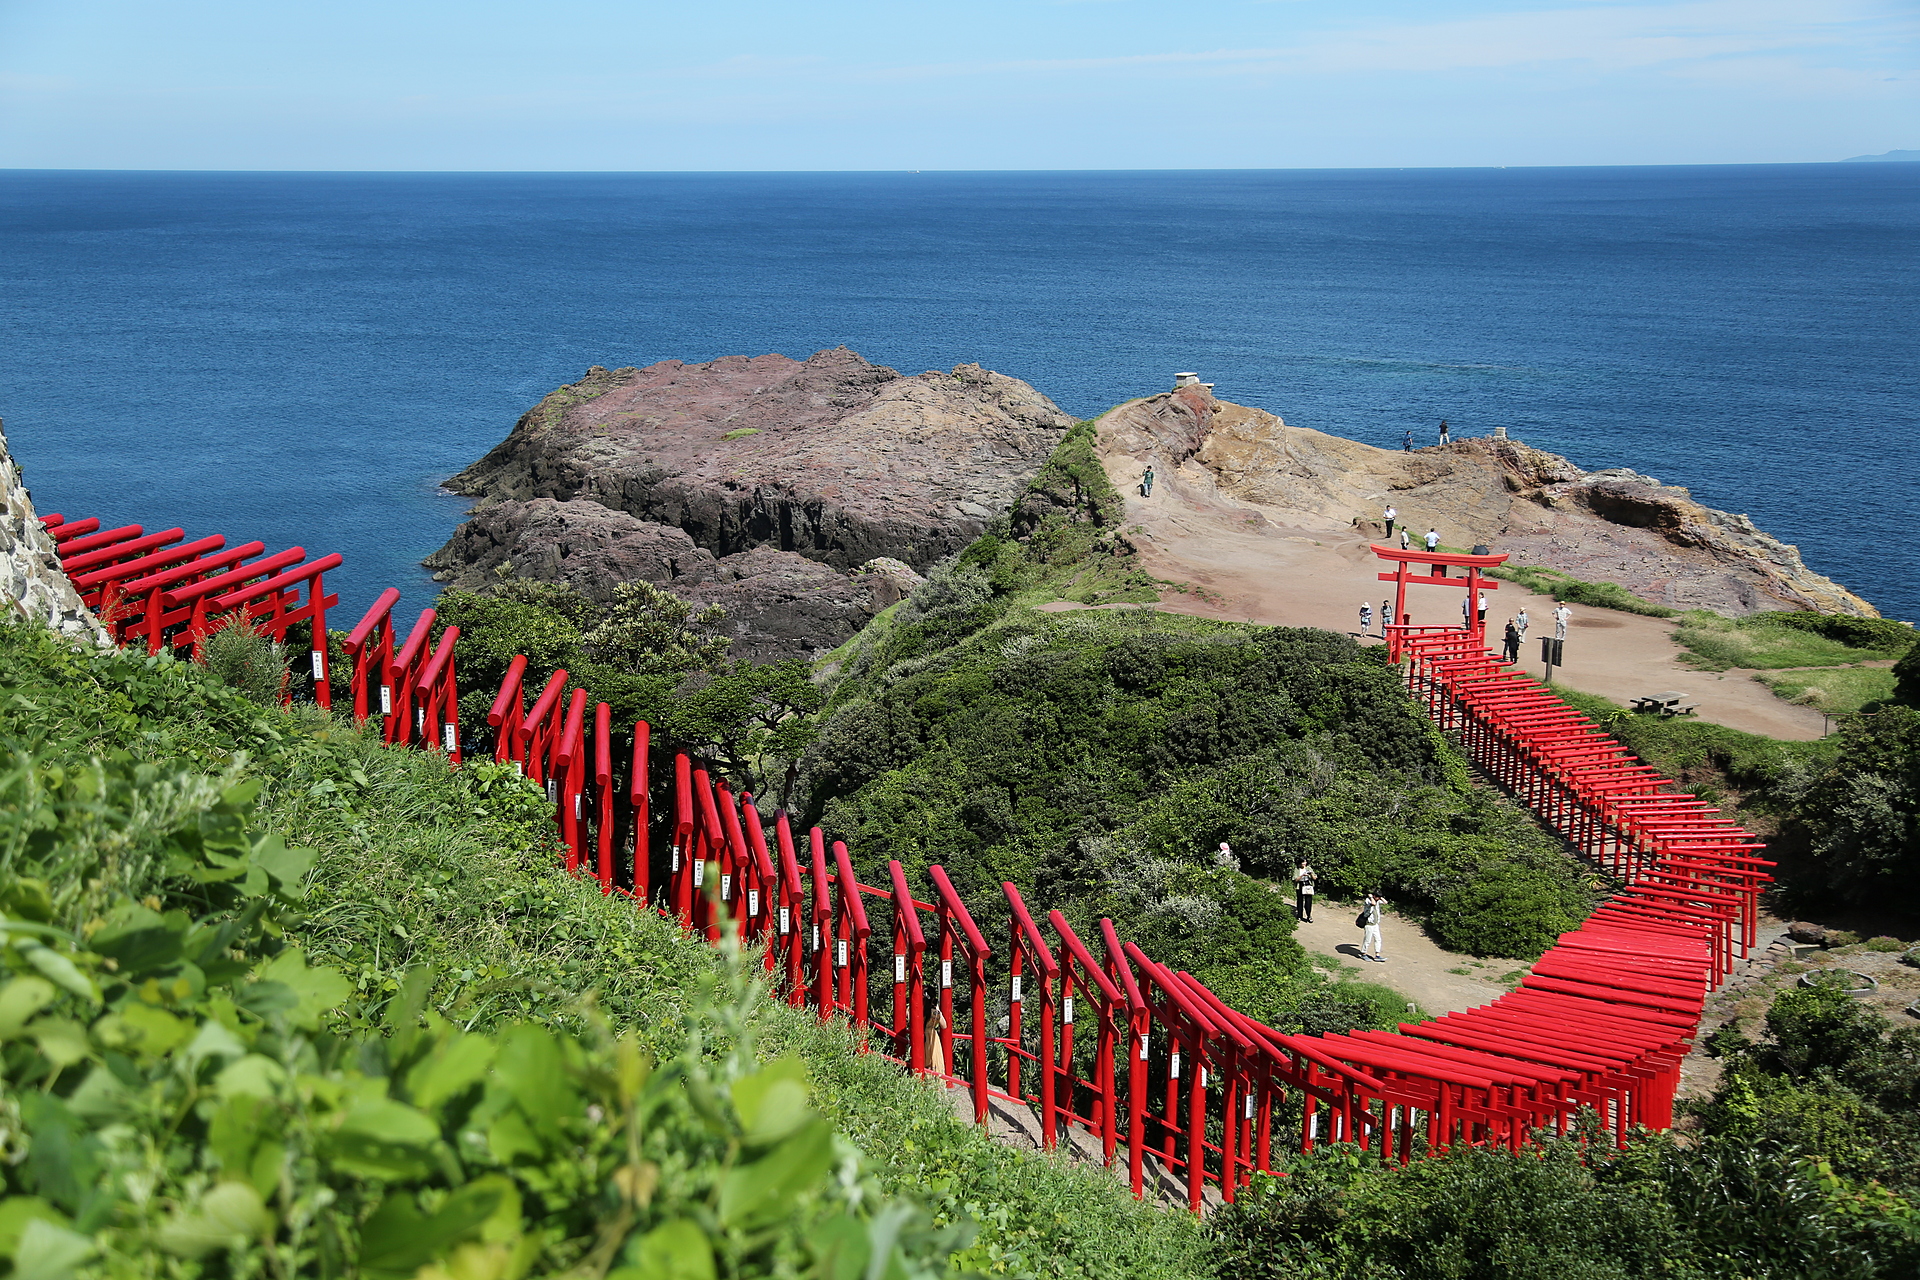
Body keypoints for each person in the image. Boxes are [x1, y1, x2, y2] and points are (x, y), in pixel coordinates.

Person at [1359, 892, 1388, 961]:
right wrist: (1371, 897)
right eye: (1377, 897)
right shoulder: (1368, 900)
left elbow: (1385, 902)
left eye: (1379, 898)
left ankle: (1377, 955)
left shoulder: (1378, 900)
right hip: (1369, 924)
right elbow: (1373, 903)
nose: (1378, 899)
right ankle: (1363, 953)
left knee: (1378, 939)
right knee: (1367, 940)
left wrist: (1380, 897)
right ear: (1374, 896)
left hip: (1375, 924)